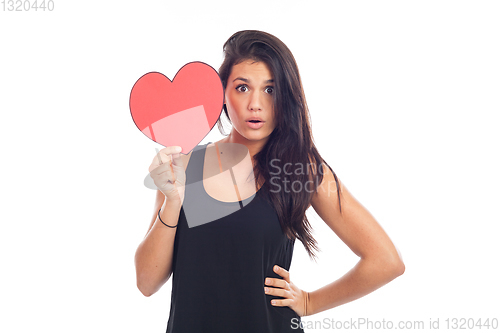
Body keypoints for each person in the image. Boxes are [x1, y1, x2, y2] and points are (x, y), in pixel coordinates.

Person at [134, 30, 405, 332]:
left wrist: (309, 302)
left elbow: (385, 261)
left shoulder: (302, 170)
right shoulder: (185, 166)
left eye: (270, 90)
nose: (255, 104)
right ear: (221, 94)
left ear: (286, 97)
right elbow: (146, 282)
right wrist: (173, 200)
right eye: (242, 88)